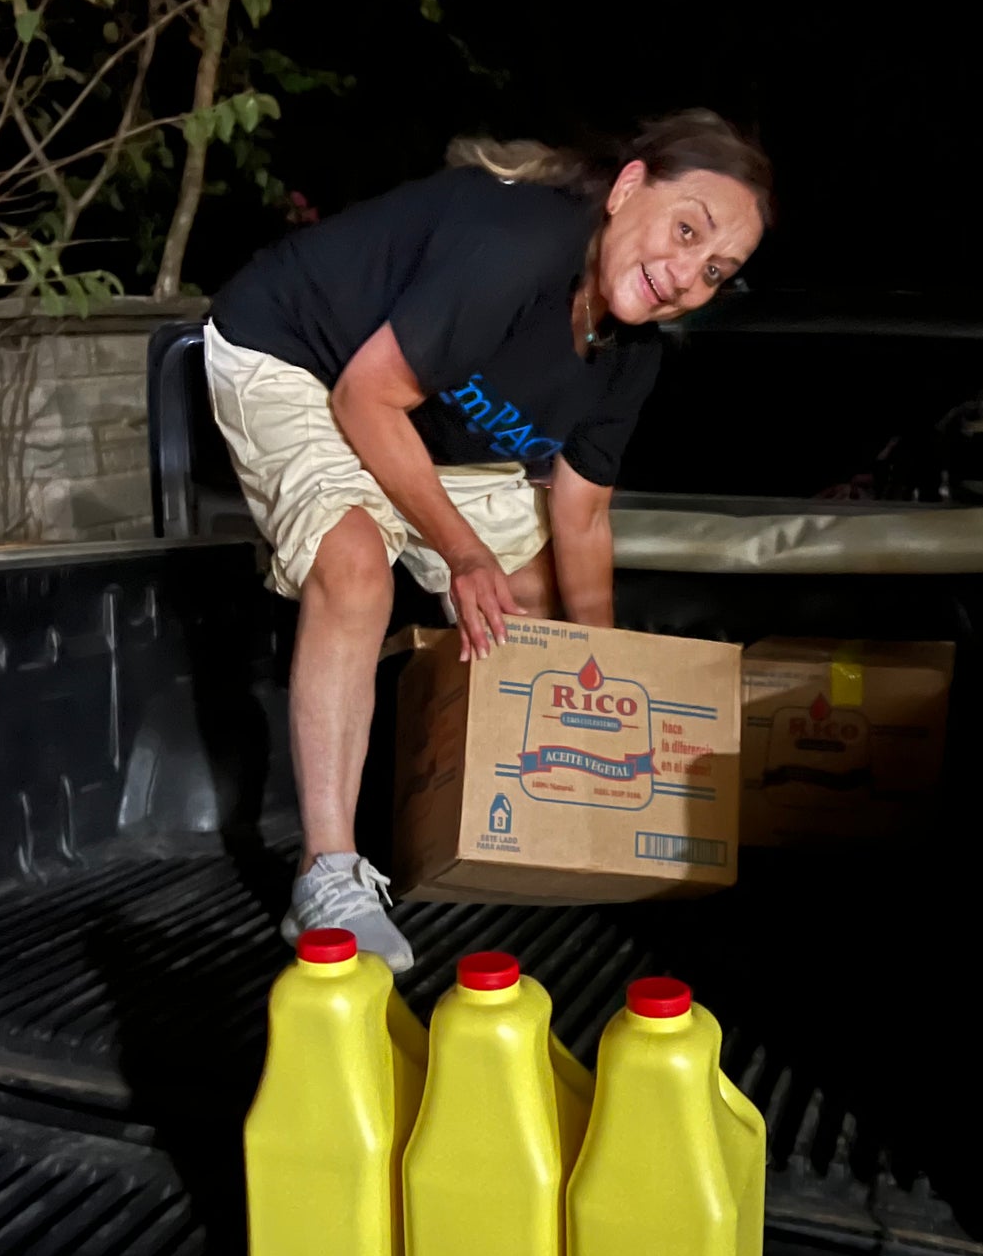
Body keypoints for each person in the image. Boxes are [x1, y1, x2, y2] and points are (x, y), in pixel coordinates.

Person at [206, 109, 773, 968]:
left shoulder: (630, 354)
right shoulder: (518, 244)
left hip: (416, 408)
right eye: (685, 230)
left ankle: (502, 823)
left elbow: (579, 516)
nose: (686, 274)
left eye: (714, 270)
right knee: (356, 562)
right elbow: (364, 400)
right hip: (299, 357)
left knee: (533, 602)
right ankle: (326, 872)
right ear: (628, 190)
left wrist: (609, 675)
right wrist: (461, 551)